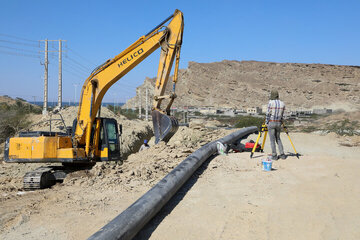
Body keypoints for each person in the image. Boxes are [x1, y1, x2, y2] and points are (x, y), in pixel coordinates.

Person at [265, 90, 286, 160]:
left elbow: (268, 114)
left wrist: (266, 122)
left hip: (271, 122)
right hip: (278, 123)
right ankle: (282, 154)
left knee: (272, 140)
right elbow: (282, 115)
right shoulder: (282, 103)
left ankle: (274, 155)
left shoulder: (271, 102)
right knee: (278, 139)